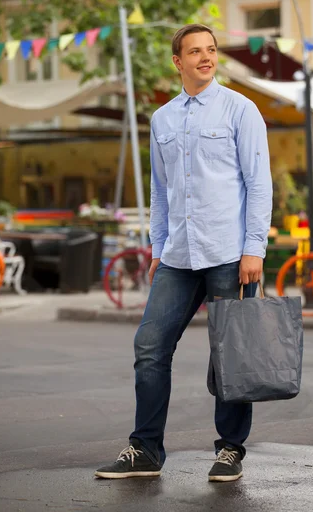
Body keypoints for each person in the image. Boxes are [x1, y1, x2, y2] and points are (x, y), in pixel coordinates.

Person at [95, 24, 273, 483]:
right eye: (195, 51)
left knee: (229, 354)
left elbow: (259, 183)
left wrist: (255, 248)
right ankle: (146, 449)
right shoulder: (163, 119)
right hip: (177, 254)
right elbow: (161, 190)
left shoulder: (241, 109)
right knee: (150, 347)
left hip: (229, 252)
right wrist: (158, 244)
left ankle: (230, 450)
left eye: (211, 49)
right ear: (178, 61)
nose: (205, 57)